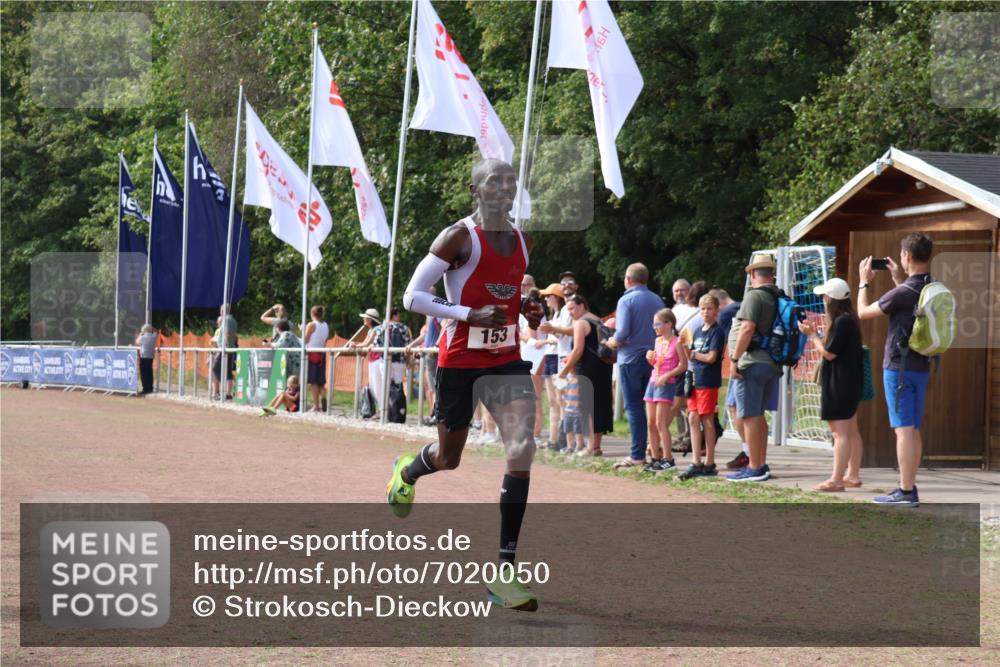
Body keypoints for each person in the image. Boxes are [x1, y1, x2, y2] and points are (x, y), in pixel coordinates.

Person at [389, 158, 544, 611]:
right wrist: (466, 314)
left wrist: (529, 308)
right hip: (459, 361)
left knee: (521, 447)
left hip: (506, 360)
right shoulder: (458, 237)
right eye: (493, 182)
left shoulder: (522, 240)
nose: (503, 188)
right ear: (475, 190)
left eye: (510, 181)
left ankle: (504, 572)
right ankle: (409, 470)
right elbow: (412, 296)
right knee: (449, 458)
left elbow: (510, 295)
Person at [857, 232, 936, 506]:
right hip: (922, 365)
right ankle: (909, 487)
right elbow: (909, 305)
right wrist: (896, 279)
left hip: (898, 368)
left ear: (907, 256)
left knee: (903, 430)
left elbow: (863, 312)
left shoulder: (902, 292)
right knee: (912, 429)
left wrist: (863, 283)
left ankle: (905, 491)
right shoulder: (931, 286)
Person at [799, 278, 864, 492]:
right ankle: (852, 475)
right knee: (851, 430)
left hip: (840, 383)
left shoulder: (841, 322)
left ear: (831, 299)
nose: (823, 300)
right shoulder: (849, 319)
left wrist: (813, 336)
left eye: (825, 296)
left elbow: (829, 353)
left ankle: (836, 479)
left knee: (840, 433)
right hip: (851, 381)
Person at [604, 263, 666, 468]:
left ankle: (637, 454)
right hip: (653, 358)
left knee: (634, 408)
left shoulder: (625, 300)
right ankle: (655, 450)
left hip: (630, 359)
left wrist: (610, 342)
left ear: (628, 279)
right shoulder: (657, 299)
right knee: (651, 406)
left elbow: (621, 333)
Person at [727, 254, 781, 482]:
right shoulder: (779, 296)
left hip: (752, 363)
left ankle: (755, 467)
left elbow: (747, 328)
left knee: (749, 415)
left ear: (752, 273)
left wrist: (734, 359)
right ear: (772, 273)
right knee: (759, 417)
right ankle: (761, 464)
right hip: (772, 362)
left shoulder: (754, 296)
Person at [557, 294, 614, 456]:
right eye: (568, 309)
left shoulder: (581, 323)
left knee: (588, 407)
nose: (570, 312)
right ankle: (596, 446)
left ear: (582, 306)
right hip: (603, 367)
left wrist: (564, 370)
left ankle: (590, 448)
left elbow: (578, 350)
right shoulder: (597, 320)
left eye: (572, 308)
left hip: (588, 370)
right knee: (601, 404)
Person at [680, 294, 725, 480]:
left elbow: (711, 357)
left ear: (716, 311)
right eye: (703, 308)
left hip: (708, 380)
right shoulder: (697, 330)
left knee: (707, 419)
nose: (705, 312)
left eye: (709, 309)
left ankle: (710, 462)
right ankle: (696, 460)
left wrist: (693, 354)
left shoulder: (717, 331)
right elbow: (690, 355)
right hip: (695, 379)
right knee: (692, 417)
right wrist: (684, 347)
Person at [642, 308, 687, 471]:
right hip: (653, 382)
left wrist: (667, 376)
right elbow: (656, 364)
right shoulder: (658, 341)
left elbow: (683, 365)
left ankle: (668, 459)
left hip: (666, 384)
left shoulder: (677, 342)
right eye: (654, 324)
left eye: (658, 324)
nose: (655, 327)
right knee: (651, 423)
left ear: (669, 324)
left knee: (661, 423)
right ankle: (655, 457)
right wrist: (650, 360)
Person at [535, 284, 565, 448]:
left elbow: (564, 337)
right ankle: (553, 439)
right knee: (553, 400)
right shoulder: (554, 315)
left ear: (557, 297)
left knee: (560, 400)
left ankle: (562, 438)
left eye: (549, 296)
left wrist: (548, 335)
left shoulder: (564, 313)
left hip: (558, 357)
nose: (546, 299)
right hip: (550, 356)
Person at [406, 292, 442, 427]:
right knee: (432, 387)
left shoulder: (437, 311)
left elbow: (445, 326)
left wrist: (436, 344)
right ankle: (434, 414)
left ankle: (437, 415)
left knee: (436, 387)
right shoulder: (430, 314)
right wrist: (411, 345)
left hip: (434, 354)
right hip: (429, 354)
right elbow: (425, 336)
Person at [518, 277, 546, 440]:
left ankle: (536, 431)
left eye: (526, 284)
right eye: (520, 284)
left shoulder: (533, 306)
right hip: (528, 353)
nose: (522, 287)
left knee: (534, 393)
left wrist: (516, 333)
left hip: (536, 353)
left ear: (533, 285)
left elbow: (531, 336)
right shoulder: (523, 305)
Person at [302, 305, 330, 412]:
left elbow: (305, 340)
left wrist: (303, 331)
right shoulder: (326, 325)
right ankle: (323, 396)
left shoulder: (311, 324)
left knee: (313, 381)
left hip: (312, 353)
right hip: (322, 353)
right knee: (320, 381)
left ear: (312, 313)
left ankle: (316, 406)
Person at [211, 305, 239, 400]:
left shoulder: (226, 320)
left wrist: (225, 346)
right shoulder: (233, 320)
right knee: (228, 372)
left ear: (222, 311)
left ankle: (216, 393)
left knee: (214, 369)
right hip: (230, 349)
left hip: (225, 349)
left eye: (220, 310)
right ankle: (228, 393)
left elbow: (227, 333)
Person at [134, 324, 157, 394]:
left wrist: (140, 334)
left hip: (143, 356)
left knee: (144, 374)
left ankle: (145, 388)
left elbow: (137, 342)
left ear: (144, 330)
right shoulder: (153, 336)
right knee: (150, 373)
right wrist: (152, 328)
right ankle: (150, 388)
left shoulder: (143, 337)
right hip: (151, 356)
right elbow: (156, 331)